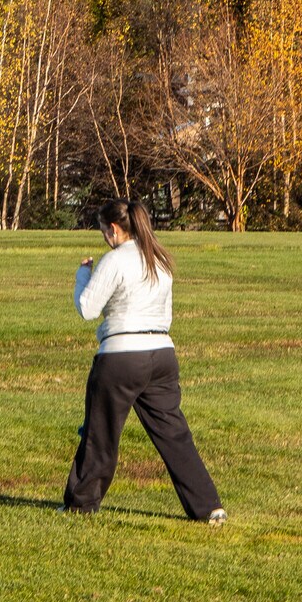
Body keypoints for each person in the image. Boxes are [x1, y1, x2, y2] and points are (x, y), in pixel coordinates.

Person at [64, 198, 226, 524]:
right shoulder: (159, 259)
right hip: (163, 353)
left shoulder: (115, 260)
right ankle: (208, 507)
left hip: (121, 356)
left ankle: (81, 504)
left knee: (100, 433)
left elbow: (88, 308)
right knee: (174, 435)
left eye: (102, 230)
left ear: (114, 229)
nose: (104, 237)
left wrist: (83, 274)